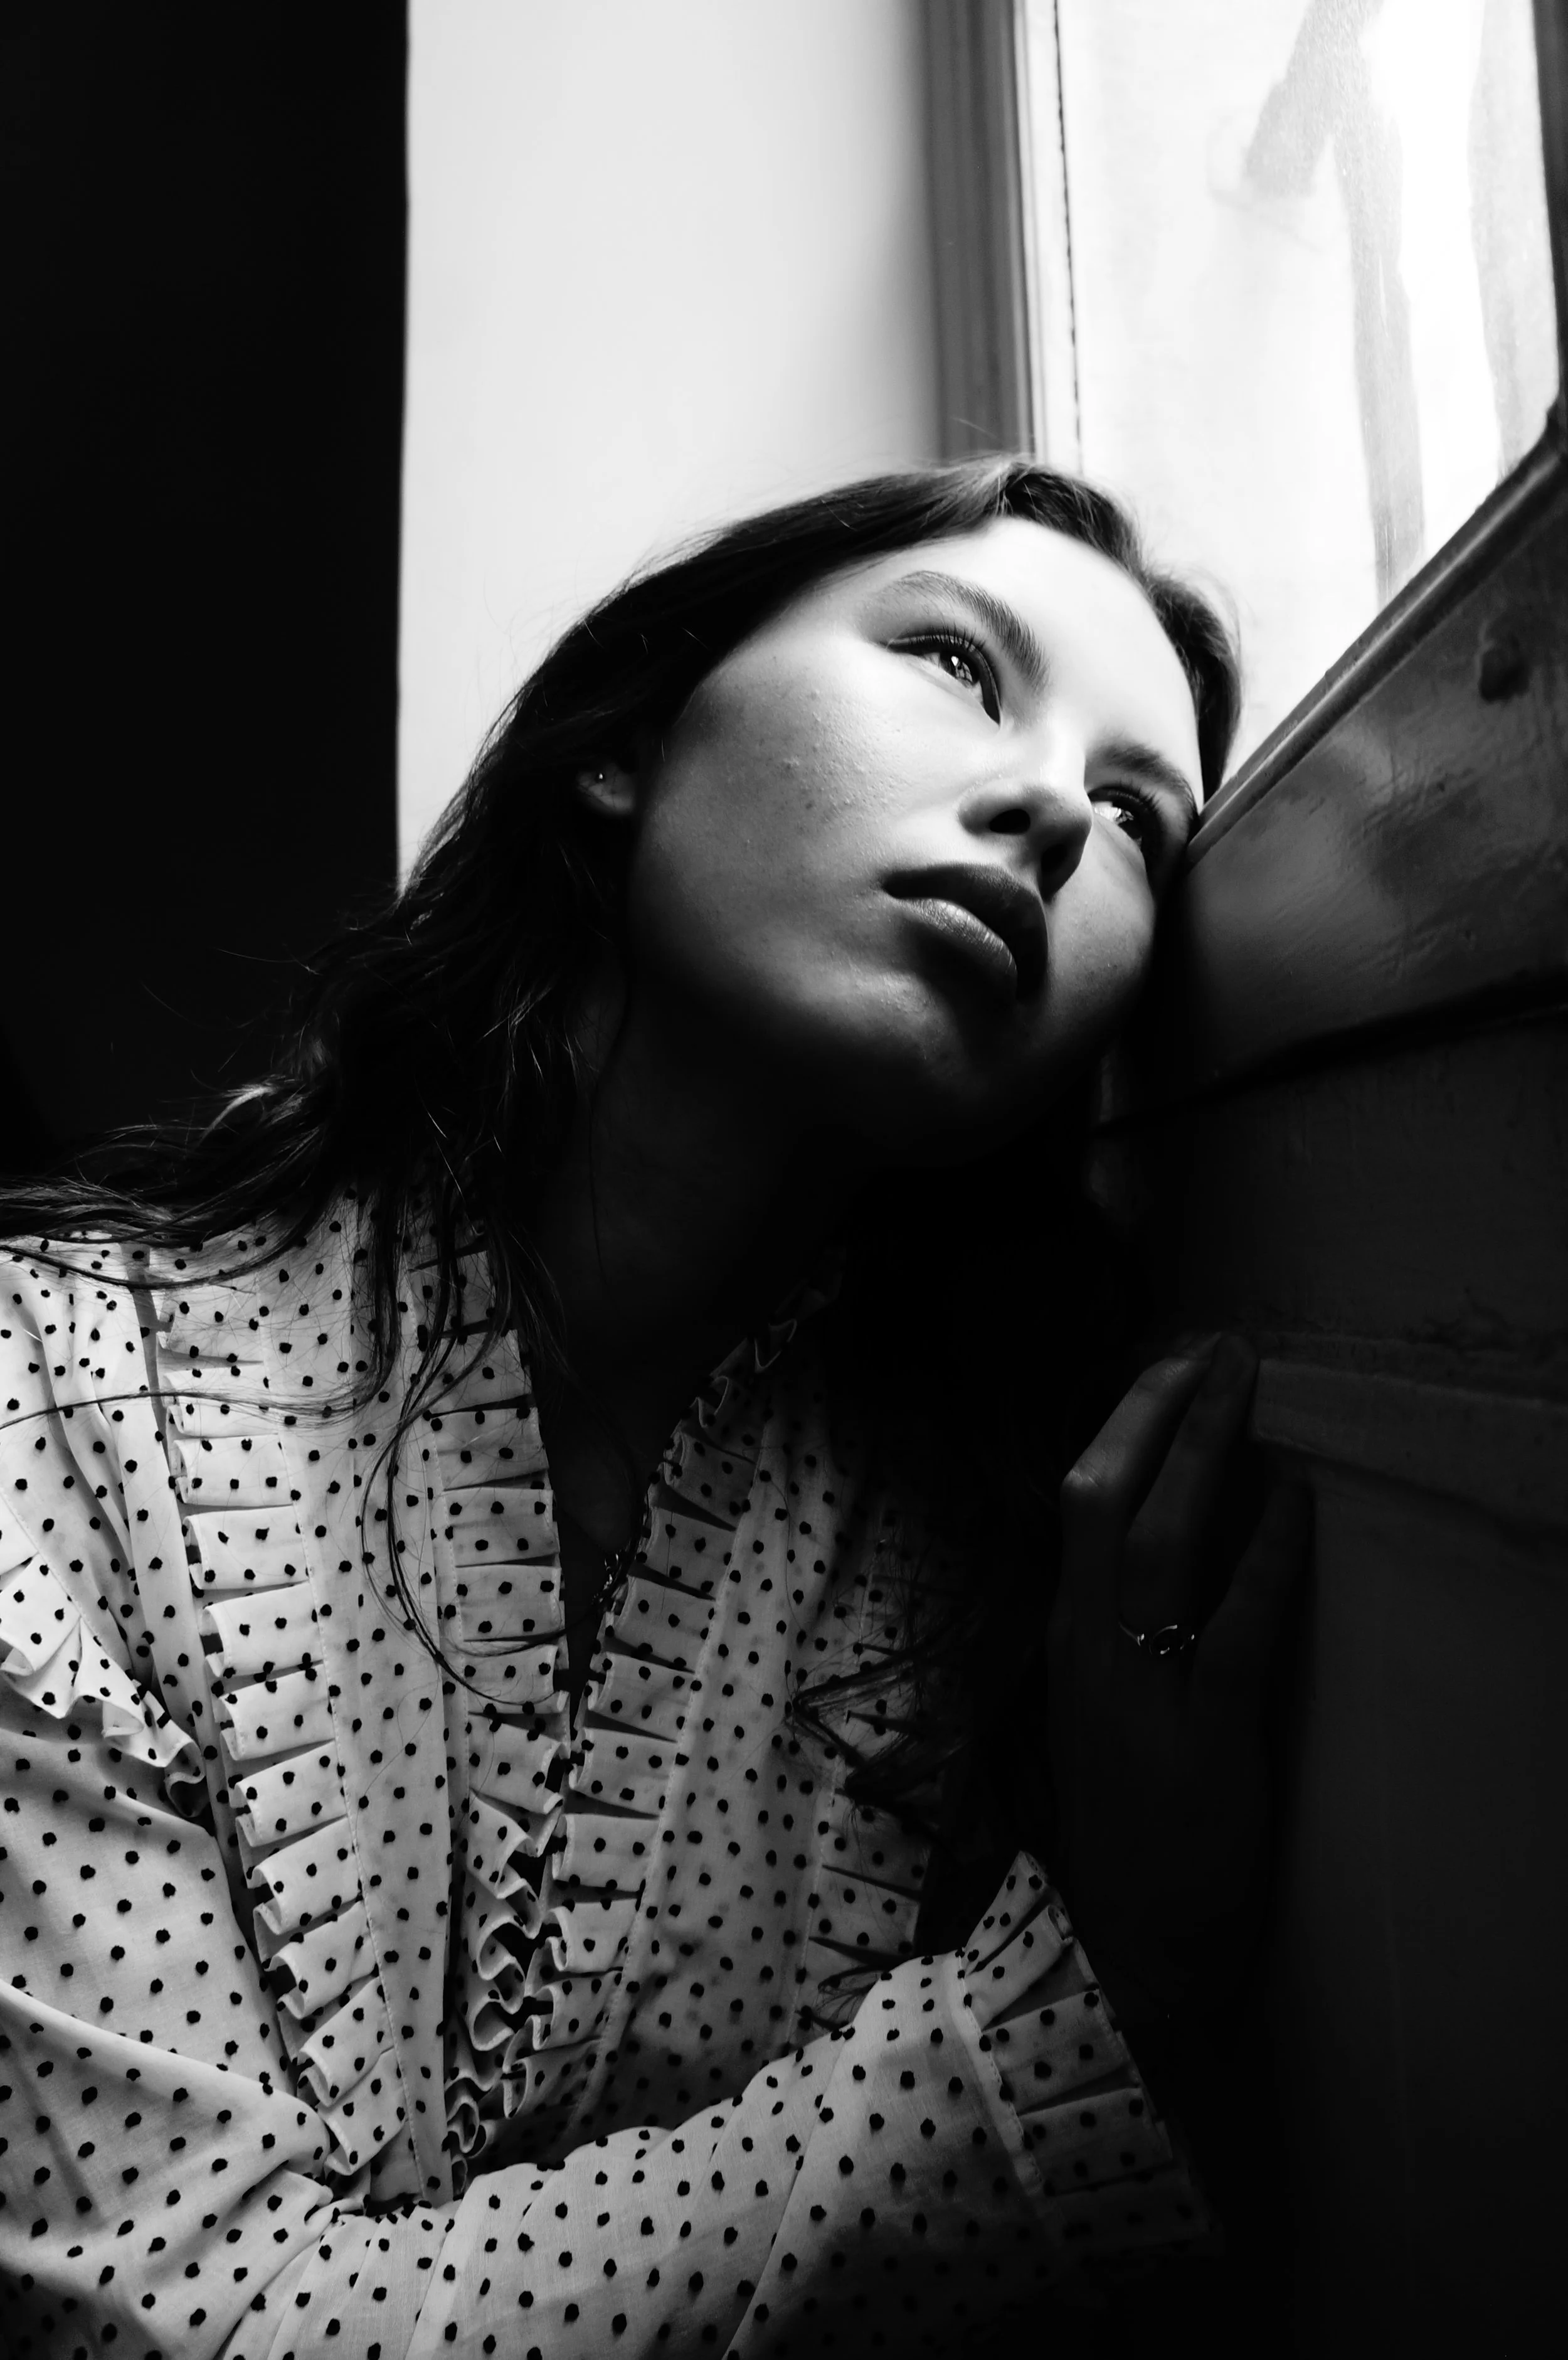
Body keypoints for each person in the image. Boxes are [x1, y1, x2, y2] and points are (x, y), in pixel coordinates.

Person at [0, 459, 1308, 2358]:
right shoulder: (52, 1388)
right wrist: (1083, 2010)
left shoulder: (987, 1556)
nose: (1047, 808)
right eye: (953, 661)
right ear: (625, 744)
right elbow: (176, 2318)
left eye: (1134, 820)